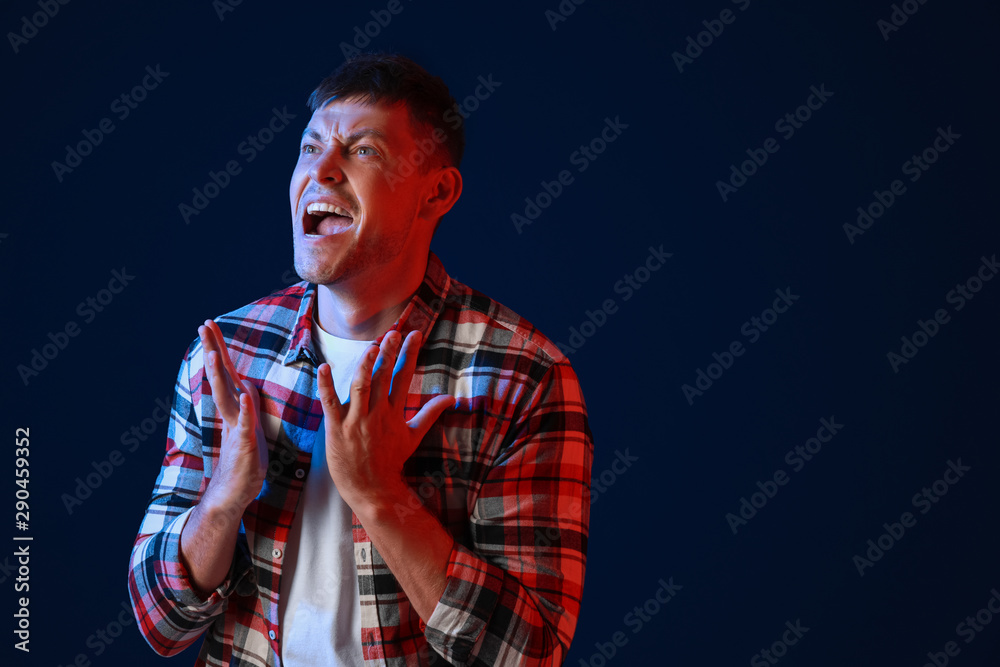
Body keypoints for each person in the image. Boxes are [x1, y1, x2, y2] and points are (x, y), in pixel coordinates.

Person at [128, 53, 593, 667]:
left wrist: (381, 498)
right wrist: (222, 500)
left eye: (363, 151)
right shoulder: (228, 353)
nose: (320, 171)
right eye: (309, 146)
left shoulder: (523, 376)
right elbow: (162, 623)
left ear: (438, 191)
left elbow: (530, 655)